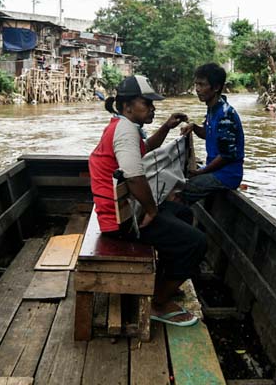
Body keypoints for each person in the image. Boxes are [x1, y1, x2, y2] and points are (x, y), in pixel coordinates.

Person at [88, 75, 207, 327]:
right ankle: (158, 303)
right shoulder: (125, 132)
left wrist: (165, 127)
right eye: (147, 103)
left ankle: (161, 281)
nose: (152, 107)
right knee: (196, 242)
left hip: (122, 210)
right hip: (121, 222)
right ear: (128, 106)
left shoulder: (123, 126)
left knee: (182, 214)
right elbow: (133, 176)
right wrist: (151, 209)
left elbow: (146, 148)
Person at [180, 63, 245, 203]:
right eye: (196, 84)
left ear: (216, 87)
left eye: (202, 85)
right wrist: (194, 127)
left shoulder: (225, 115)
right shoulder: (212, 109)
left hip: (226, 175)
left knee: (180, 190)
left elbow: (227, 155)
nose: (197, 89)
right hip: (216, 172)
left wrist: (202, 172)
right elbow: (207, 134)